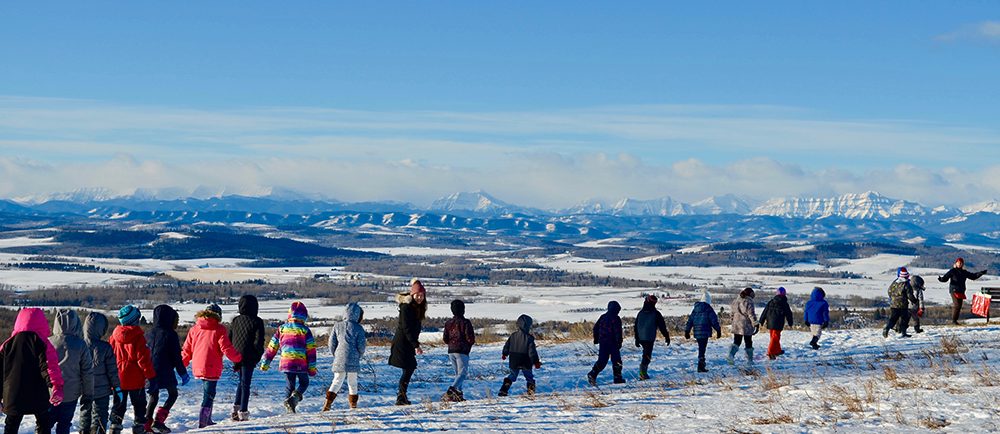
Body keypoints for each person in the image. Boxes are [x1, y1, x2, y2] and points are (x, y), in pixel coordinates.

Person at [0, 308, 64, 434]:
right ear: (42, 322)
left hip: (13, 393)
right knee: (43, 423)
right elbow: (49, 366)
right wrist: (56, 386)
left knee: (11, 425)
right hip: (37, 393)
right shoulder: (42, 343)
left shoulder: (7, 344)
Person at [181, 303, 242, 428]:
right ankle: (203, 422)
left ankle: (207, 419)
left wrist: (182, 364)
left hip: (198, 365)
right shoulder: (219, 329)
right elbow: (226, 348)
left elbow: (186, 349)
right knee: (209, 394)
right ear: (218, 315)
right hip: (211, 365)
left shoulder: (194, 329)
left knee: (207, 393)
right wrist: (238, 358)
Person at [261, 301, 317, 414]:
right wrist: (312, 368)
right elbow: (311, 351)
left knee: (290, 385)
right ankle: (294, 399)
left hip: (287, 363)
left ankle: (289, 408)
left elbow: (272, 347)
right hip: (301, 363)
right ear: (304, 316)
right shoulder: (305, 330)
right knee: (304, 382)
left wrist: (266, 362)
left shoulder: (282, 329)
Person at [109, 305, 156, 434]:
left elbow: (110, 356)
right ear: (135, 320)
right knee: (139, 404)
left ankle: (115, 425)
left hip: (118, 376)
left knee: (118, 403)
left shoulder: (114, 337)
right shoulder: (139, 337)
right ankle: (139, 426)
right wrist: (151, 376)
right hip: (136, 378)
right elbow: (143, 360)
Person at [144, 305, 189, 433]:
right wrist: (183, 373)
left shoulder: (148, 333)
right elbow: (176, 357)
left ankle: (147, 424)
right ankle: (158, 421)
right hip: (165, 371)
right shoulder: (171, 334)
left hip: (149, 370)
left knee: (154, 396)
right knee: (173, 394)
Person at [49, 309, 94, 434]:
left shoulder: (48, 342)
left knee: (45, 424)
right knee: (64, 425)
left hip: (49, 392)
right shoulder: (80, 344)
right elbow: (87, 372)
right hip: (71, 393)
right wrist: (88, 393)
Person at [388, 279, 427, 406]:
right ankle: (401, 397)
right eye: (417, 295)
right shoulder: (406, 307)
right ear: (412, 295)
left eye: (422, 295)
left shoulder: (417, 308)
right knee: (409, 368)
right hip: (402, 343)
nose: (420, 298)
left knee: (409, 369)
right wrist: (416, 345)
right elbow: (406, 328)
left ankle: (402, 397)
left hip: (408, 343)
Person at [322, 302, 367, 411]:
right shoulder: (358, 328)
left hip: (339, 358)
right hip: (354, 358)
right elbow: (361, 345)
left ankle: (327, 404)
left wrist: (336, 354)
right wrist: (359, 355)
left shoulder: (337, 326)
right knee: (352, 382)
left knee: (337, 381)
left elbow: (331, 343)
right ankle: (353, 405)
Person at [80, 312, 120, 434]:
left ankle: (84, 431)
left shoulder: (80, 345)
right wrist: (117, 386)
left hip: (84, 389)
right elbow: (112, 371)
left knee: (85, 413)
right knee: (100, 415)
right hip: (102, 390)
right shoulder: (106, 347)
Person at [228, 295, 266, 421]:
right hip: (249, 356)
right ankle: (243, 412)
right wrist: (257, 356)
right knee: (246, 384)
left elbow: (230, 338)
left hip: (236, 355)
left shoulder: (235, 320)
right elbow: (258, 342)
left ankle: (235, 409)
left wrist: (233, 354)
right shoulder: (257, 321)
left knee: (241, 382)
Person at [499, 314, 541, 397]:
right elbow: (532, 352)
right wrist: (536, 362)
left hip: (514, 360)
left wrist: (504, 354)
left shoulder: (513, 335)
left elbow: (507, 346)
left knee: (512, 376)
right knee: (529, 377)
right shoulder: (529, 338)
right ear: (528, 325)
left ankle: (503, 390)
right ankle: (531, 393)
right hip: (526, 360)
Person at [442, 299, 475, 402]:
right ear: (463, 310)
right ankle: (451, 390)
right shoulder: (465, 322)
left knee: (458, 374)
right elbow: (470, 338)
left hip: (451, 350)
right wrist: (469, 344)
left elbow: (445, 338)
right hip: (462, 350)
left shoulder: (448, 323)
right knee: (462, 373)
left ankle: (458, 395)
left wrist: (451, 343)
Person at [938, 258, 987, 325]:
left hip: (961, 291)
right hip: (954, 290)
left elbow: (973, 276)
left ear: (963, 264)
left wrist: (981, 273)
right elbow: (945, 278)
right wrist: (941, 279)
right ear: (956, 263)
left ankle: (955, 321)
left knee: (959, 306)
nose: (960, 264)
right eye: (959, 262)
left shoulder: (964, 272)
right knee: (957, 305)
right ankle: (954, 321)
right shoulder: (952, 271)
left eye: (961, 263)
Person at [587, 301, 625, 385]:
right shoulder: (616, 318)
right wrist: (619, 342)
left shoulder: (603, 317)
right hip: (613, 343)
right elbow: (617, 331)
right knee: (617, 361)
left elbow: (595, 328)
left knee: (602, 361)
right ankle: (617, 378)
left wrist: (596, 339)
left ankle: (592, 374)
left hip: (603, 343)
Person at [634, 295, 670, 379]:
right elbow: (662, 326)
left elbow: (635, 326)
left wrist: (637, 338)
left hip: (641, 337)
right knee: (647, 356)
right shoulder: (656, 313)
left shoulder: (640, 313)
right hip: (649, 338)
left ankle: (643, 373)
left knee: (645, 355)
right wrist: (666, 336)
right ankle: (643, 374)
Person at [684, 291, 721, 373]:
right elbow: (714, 320)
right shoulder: (708, 308)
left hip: (697, 332)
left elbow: (690, 320)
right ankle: (701, 366)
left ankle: (701, 365)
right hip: (705, 332)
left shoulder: (695, 309)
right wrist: (718, 330)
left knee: (701, 348)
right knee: (702, 349)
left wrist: (687, 330)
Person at [759, 287, 793, 360]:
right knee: (775, 337)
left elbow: (765, 311)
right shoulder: (784, 303)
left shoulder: (771, 301)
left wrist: (761, 321)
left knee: (774, 336)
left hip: (770, 321)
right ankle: (770, 352)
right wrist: (790, 322)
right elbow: (788, 314)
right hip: (778, 322)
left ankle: (777, 350)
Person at [884, 267, 917, 338]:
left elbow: (889, 291)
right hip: (903, 305)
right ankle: (903, 332)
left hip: (893, 304)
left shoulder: (894, 283)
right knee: (904, 318)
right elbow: (909, 295)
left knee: (893, 318)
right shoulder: (906, 284)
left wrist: (892, 299)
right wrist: (914, 301)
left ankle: (887, 328)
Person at [728, 288, 757, 365]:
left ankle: (731, 355)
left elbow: (731, 314)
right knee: (748, 342)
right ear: (750, 294)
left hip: (736, 324)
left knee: (737, 341)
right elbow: (751, 314)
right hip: (746, 325)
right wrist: (755, 323)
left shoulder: (735, 301)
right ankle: (749, 360)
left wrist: (733, 321)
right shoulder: (749, 302)